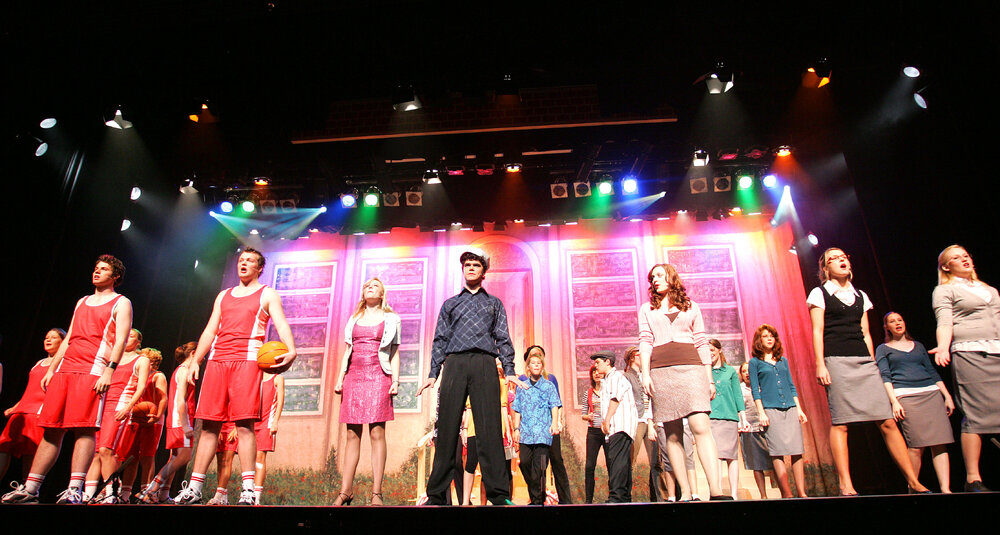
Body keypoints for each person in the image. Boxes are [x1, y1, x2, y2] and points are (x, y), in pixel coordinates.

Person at [2, 255, 132, 505]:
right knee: (52, 428)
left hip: (92, 370)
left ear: (115, 276)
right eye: (95, 268)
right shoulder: (82, 301)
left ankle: (75, 489)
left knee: (84, 430)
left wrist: (109, 371)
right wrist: (53, 368)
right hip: (66, 370)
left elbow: (122, 339)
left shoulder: (121, 302)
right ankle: (31, 488)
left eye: (103, 269)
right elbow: (70, 335)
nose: (96, 272)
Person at [174, 247, 297, 505]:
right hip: (218, 360)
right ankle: (195, 487)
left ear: (260, 268)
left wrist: (292, 348)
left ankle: (249, 489)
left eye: (250, 261)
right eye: (241, 260)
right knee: (209, 425)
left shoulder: (267, 294)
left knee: (244, 424)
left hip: (248, 360)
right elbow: (210, 330)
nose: (244, 263)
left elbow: (282, 323)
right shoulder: (223, 296)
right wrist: (196, 360)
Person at [808, 247, 929, 495]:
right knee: (841, 423)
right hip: (837, 360)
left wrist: (872, 362)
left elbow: (865, 333)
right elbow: (817, 331)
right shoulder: (819, 293)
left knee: (886, 421)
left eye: (844, 257)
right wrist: (820, 363)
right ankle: (846, 484)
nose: (842, 260)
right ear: (825, 268)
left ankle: (913, 482)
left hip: (863, 361)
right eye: (834, 258)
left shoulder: (860, 295)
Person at [416, 247, 523, 506]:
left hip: (485, 363)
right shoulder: (451, 304)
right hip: (455, 363)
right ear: (463, 270)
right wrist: (433, 372)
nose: (471, 268)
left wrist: (508, 369)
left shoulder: (493, 303)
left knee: (489, 430)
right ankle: (436, 495)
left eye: (476, 265)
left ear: (484, 271)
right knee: (447, 428)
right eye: (467, 265)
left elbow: (503, 338)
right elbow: (440, 339)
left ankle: (498, 494)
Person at [638, 263, 728, 501]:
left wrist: (709, 378)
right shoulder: (647, 309)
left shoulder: (691, 306)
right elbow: (645, 341)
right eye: (652, 277)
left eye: (659, 275)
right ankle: (685, 492)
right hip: (661, 372)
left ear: (671, 276)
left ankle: (716, 491)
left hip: (692, 369)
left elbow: (701, 341)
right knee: (673, 435)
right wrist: (645, 374)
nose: (655, 280)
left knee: (701, 427)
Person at [931, 245, 1000, 492]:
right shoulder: (944, 290)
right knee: (975, 415)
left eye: (966, 255)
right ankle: (973, 478)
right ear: (946, 266)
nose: (964, 259)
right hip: (971, 353)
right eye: (956, 258)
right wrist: (942, 347)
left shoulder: (988, 289)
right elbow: (945, 321)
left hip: (997, 352)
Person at [333, 278, 400, 506]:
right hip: (354, 376)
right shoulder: (354, 319)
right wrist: (340, 378)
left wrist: (395, 380)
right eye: (366, 286)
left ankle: (376, 493)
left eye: (375, 286)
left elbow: (394, 352)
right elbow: (347, 350)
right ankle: (346, 491)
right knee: (352, 434)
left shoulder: (391, 319)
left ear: (382, 294)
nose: (370, 287)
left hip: (379, 375)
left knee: (377, 433)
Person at [876, 311, 955, 493]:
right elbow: (885, 376)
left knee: (939, 442)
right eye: (892, 321)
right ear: (886, 327)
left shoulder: (918, 346)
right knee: (916, 445)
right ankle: (913, 487)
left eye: (900, 319)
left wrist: (947, 396)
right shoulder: (883, 349)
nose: (897, 323)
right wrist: (894, 402)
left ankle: (946, 489)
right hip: (906, 396)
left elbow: (932, 371)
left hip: (931, 394)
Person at [748, 325, 809, 498]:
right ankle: (787, 493)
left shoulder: (783, 360)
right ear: (759, 340)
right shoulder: (755, 362)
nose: (769, 339)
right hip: (770, 409)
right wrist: (761, 412)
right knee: (777, 451)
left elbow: (791, 385)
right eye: (765, 336)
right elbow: (755, 389)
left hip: (789, 407)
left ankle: (802, 492)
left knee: (797, 449)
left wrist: (799, 409)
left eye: (772, 336)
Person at [136, 342, 198, 503]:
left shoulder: (181, 371)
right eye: (200, 353)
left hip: (177, 419)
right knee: (184, 457)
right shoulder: (184, 371)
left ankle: (163, 494)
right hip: (180, 420)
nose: (203, 357)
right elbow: (180, 400)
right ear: (193, 353)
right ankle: (150, 489)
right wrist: (185, 425)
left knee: (175, 458)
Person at [0, 329, 65, 481]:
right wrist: (16, 406)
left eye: (53, 337)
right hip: (22, 411)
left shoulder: (62, 365)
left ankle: (28, 490)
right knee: (3, 445)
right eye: (46, 337)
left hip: (39, 412)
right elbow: (31, 389)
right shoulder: (39, 363)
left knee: (31, 453)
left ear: (62, 343)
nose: (48, 340)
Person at [517, 345, 572, 504]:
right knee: (530, 464)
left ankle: (565, 500)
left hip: (549, 426)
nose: (536, 358)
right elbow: (519, 406)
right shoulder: (522, 380)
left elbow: (557, 403)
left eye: (539, 355)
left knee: (556, 460)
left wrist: (558, 422)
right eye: (533, 356)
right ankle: (536, 497)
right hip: (530, 429)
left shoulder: (551, 379)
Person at [117, 347, 167, 502]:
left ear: (151, 362)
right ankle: (125, 493)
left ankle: (146, 491)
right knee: (131, 457)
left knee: (147, 456)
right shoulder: (136, 378)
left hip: (152, 419)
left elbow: (164, 398)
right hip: (137, 418)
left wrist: (157, 415)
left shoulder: (158, 376)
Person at [511, 351, 561, 505]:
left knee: (539, 468)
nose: (536, 365)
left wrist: (554, 423)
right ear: (528, 367)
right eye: (533, 363)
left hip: (543, 433)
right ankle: (536, 494)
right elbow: (517, 409)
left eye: (539, 363)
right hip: (526, 432)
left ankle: (537, 500)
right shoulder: (522, 386)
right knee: (525, 463)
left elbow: (555, 405)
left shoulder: (548, 386)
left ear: (542, 366)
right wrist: (516, 429)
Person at [590, 351, 636, 503]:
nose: (595, 366)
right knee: (621, 461)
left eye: (598, 362)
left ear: (607, 362)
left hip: (620, 425)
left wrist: (606, 420)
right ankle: (624, 496)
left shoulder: (615, 377)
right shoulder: (608, 379)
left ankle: (616, 496)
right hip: (618, 427)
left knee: (617, 461)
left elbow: (615, 399)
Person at [707, 339, 749, 499]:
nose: (710, 353)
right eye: (707, 350)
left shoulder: (730, 371)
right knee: (715, 456)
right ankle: (716, 493)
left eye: (712, 349)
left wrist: (743, 418)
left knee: (732, 456)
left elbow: (738, 395)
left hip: (729, 417)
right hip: (711, 418)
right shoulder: (705, 371)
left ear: (719, 350)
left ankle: (733, 495)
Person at [623, 346, 664, 502]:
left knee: (656, 461)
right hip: (637, 420)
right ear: (632, 357)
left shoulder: (648, 375)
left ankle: (659, 497)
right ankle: (626, 496)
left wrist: (651, 420)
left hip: (650, 421)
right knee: (630, 459)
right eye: (640, 355)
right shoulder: (627, 376)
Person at [738, 362, 772, 499]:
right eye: (744, 371)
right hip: (750, 429)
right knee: (756, 465)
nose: (747, 373)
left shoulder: (763, 386)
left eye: (749, 370)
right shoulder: (740, 389)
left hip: (767, 426)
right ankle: (763, 496)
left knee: (774, 460)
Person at [254, 371, 284, 504]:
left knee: (260, 457)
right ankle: (247, 492)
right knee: (249, 459)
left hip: (266, 423)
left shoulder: (278, 379)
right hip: (251, 422)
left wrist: (275, 422)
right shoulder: (254, 377)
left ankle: (257, 496)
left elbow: (280, 402)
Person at [581, 364, 607, 503]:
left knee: (611, 464)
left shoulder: (608, 391)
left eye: (598, 372)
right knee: (590, 466)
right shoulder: (589, 392)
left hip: (607, 431)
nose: (597, 374)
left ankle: (613, 498)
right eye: (594, 372)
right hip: (593, 432)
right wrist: (588, 416)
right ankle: (588, 500)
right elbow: (583, 414)